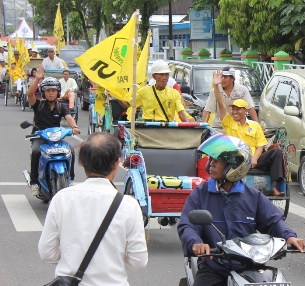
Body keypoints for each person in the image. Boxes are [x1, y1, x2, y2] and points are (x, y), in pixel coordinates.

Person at [178, 134, 305, 285]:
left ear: (234, 167)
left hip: (250, 266)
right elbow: (187, 225)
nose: (210, 164)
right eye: (211, 159)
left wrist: (289, 237)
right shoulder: (200, 194)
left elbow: (273, 220)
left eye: (217, 161)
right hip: (215, 267)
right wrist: (196, 243)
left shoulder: (253, 196)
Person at [38, 132, 148, 285]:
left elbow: (47, 253)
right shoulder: (129, 206)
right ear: (117, 163)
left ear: (82, 161)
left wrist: (72, 256)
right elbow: (139, 261)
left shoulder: (62, 198)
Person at [213, 70, 286, 196]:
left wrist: (255, 158)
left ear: (245, 111)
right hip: (236, 160)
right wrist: (215, 86)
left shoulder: (255, 126)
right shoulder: (229, 123)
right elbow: (221, 104)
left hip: (253, 161)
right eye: (233, 109)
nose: (235, 112)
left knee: (277, 152)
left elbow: (261, 145)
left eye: (238, 109)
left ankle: (274, 187)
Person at [27, 65, 80, 196]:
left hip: (55, 138)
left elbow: (69, 118)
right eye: (48, 90)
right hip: (40, 138)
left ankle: (71, 179)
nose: (51, 93)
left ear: (58, 92)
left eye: (53, 90)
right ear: (43, 92)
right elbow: (29, 94)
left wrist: (74, 127)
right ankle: (34, 182)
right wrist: (37, 79)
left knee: (70, 151)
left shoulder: (60, 107)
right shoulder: (38, 105)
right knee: (36, 151)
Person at [128, 59, 193, 122]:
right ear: (154, 76)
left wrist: (188, 126)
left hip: (166, 128)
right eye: (161, 75)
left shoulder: (174, 93)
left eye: (166, 74)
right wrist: (118, 95)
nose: (164, 78)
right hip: (148, 128)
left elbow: (181, 112)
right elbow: (129, 104)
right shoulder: (144, 92)